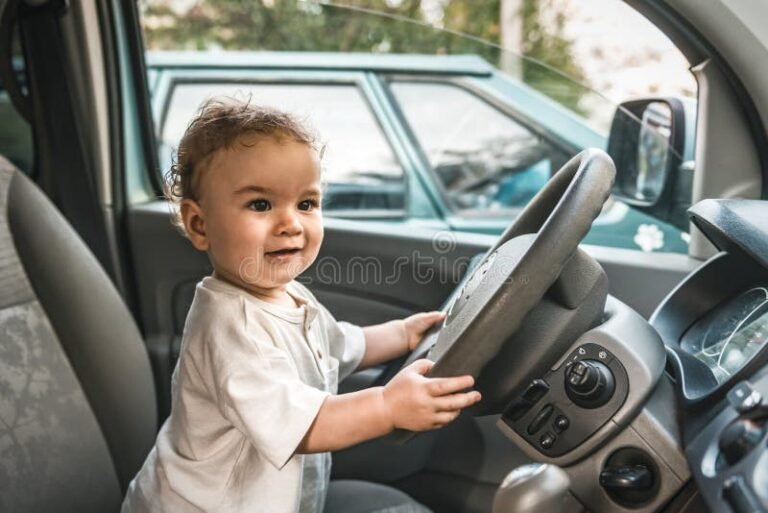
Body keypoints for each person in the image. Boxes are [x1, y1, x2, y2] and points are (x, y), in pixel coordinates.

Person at [121, 97, 482, 513]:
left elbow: (340, 345)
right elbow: (305, 425)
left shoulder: (288, 295)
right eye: (260, 204)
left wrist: (403, 334)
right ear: (199, 224)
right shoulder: (229, 330)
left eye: (306, 203)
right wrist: (387, 406)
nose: (291, 223)